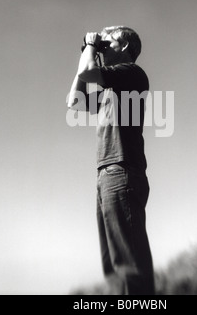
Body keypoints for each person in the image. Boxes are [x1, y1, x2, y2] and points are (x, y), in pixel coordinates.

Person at [67, 26, 155, 295]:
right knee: (114, 268)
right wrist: (88, 50)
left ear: (126, 47)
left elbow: (87, 73)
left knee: (129, 264)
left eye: (110, 42)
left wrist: (92, 46)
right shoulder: (110, 90)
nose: (105, 47)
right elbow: (74, 100)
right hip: (107, 174)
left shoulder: (132, 74)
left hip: (122, 171)